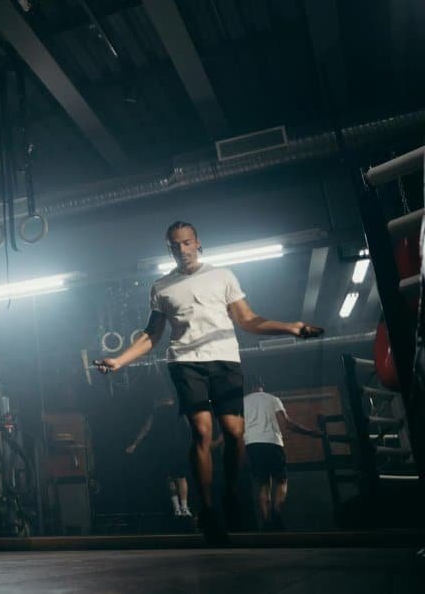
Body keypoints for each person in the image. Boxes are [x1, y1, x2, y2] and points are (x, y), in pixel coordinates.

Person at [95, 221, 322, 544]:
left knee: (234, 433)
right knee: (201, 430)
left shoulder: (222, 276)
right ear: (169, 249)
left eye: (187, 243)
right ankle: (209, 510)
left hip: (225, 360)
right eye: (175, 245)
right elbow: (152, 335)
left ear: (198, 243)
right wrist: (118, 360)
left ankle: (230, 492)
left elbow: (248, 320)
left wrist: (290, 327)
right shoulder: (161, 287)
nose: (182, 250)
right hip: (186, 363)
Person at [244, 375, 322, 531]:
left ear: (248, 386)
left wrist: (216, 443)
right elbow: (287, 424)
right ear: (262, 384)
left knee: (263, 483)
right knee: (281, 481)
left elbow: (236, 426)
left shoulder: (243, 402)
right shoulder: (273, 399)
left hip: (252, 444)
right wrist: (310, 432)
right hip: (272, 442)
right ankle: (276, 511)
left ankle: (266, 521)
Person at [125, 384, 192, 519]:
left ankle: (177, 508)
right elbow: (188, 427)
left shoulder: (156, 411)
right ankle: (184, 508)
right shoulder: (177, 409)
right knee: (181, 477)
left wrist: (134, 444)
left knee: (170, 478)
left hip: (164, 447)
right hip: (177, 446)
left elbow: (145, 429)